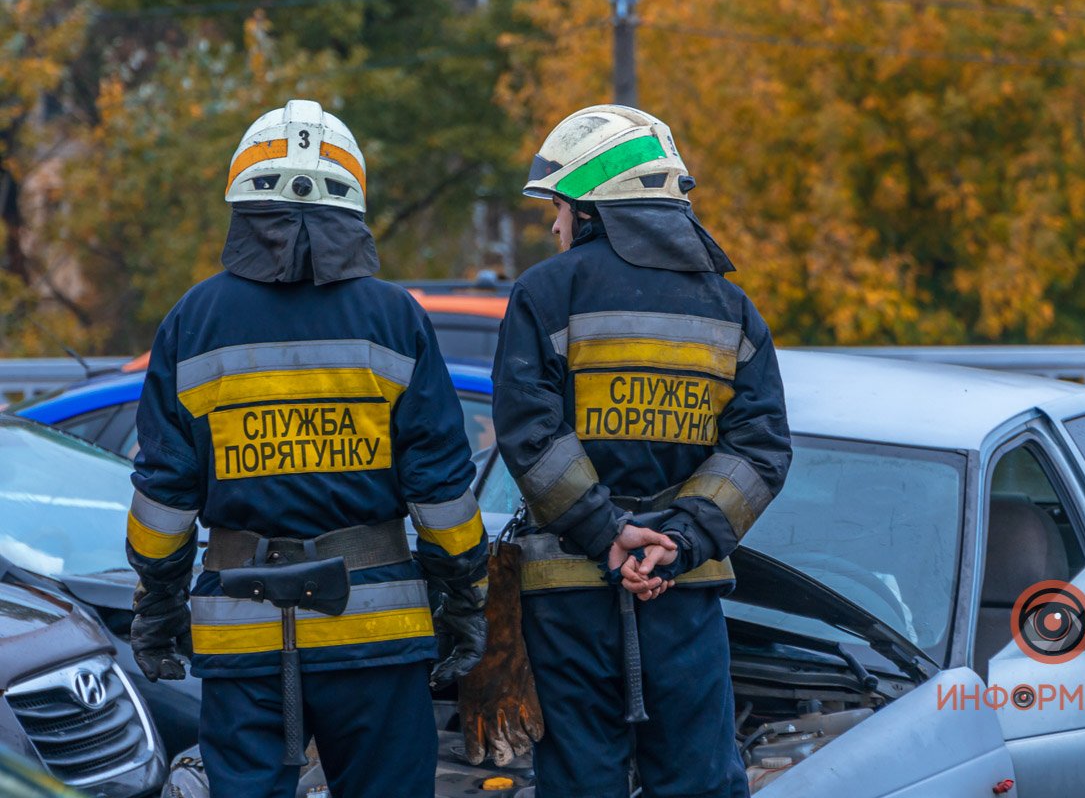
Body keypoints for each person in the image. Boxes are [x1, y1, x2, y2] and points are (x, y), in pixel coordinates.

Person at [125, 99, 487, 798]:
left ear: (241, 203)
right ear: (351, 208)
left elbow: (164, 494)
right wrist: (463, 598)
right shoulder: (395, 317)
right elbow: (441, 486)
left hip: (242, 636)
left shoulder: (193, 320)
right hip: (376, 634)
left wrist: (158, 606)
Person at [489, 105, 793, 797]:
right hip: (683, 597)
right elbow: (760, 449)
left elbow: (529, 434)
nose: (557, 225)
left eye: (561, 207)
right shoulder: (732, 309)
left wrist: (608, 532)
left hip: (568, 598)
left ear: (595, 207)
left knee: (579, 781)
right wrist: (679, 540)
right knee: (699, 782)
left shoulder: (545, 292)